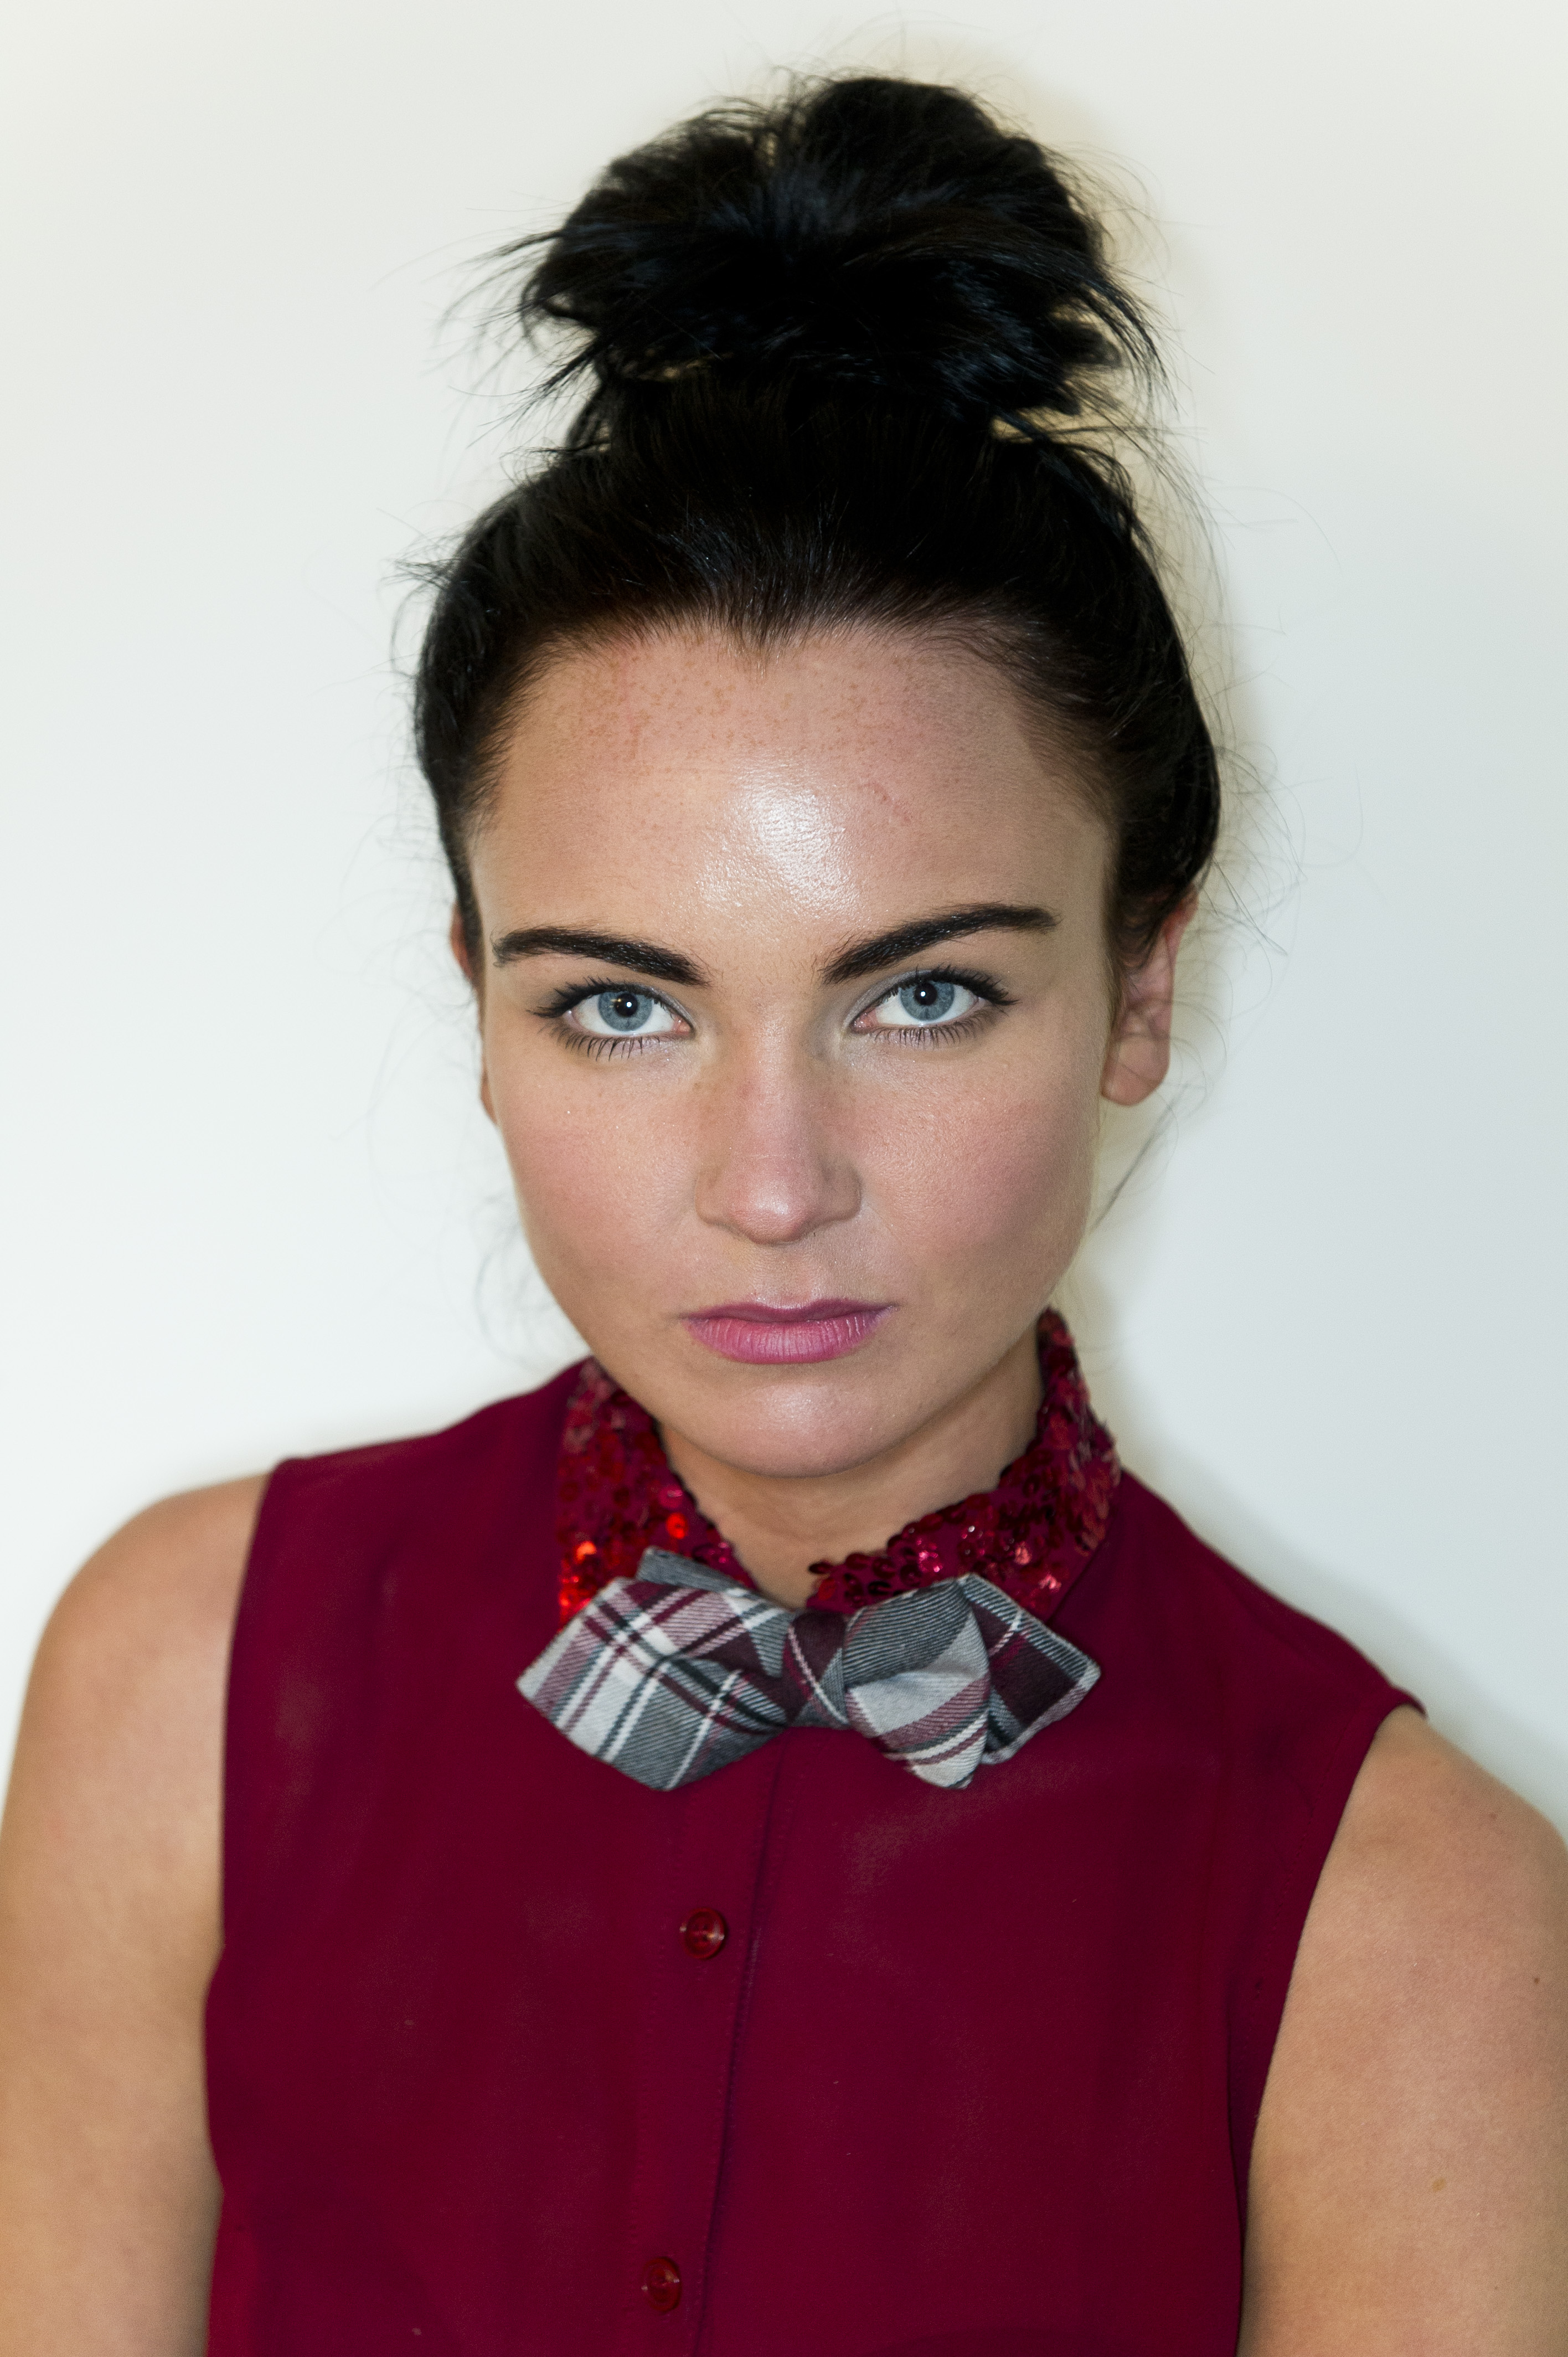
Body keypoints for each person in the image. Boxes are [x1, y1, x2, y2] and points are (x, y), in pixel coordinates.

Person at [1, 71, 1564, 2357]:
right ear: (479, 1001)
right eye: (625, 1006)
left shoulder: (1421, 1926)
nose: (768, 1179)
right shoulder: (180, 1681)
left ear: (1139, 981)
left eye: (921, 993)